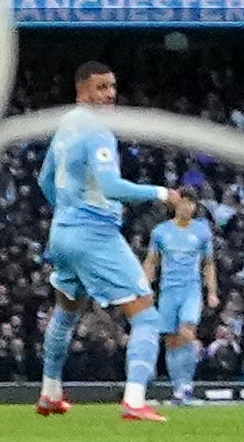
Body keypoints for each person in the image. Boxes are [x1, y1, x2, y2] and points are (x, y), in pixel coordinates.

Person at [35, 58, 179, 421]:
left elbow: (44, 180)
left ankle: (50, 392)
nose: (110, 95)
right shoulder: (98, 131)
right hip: (93, 233)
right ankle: (134, 400)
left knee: (65, 314)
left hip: (62, 233)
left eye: (113, 87)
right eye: (101, 87)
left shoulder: (65, 124)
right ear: (81, 89)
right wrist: (162, 193)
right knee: (146, 314)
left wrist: (66, 210)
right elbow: (113, 188)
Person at [139, 190, 221, 414]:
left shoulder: (202, 232)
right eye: (184, 203)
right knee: (172, 341)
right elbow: (151, 261)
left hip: (191, 291)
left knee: (187, 332)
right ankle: (179, 390)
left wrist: (211, 291)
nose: (188, 207)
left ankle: (188, 382)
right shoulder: (161, 232)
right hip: (168, 292)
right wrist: (145, 287)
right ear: (176, 205)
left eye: (191, 204)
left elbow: (208, 264)